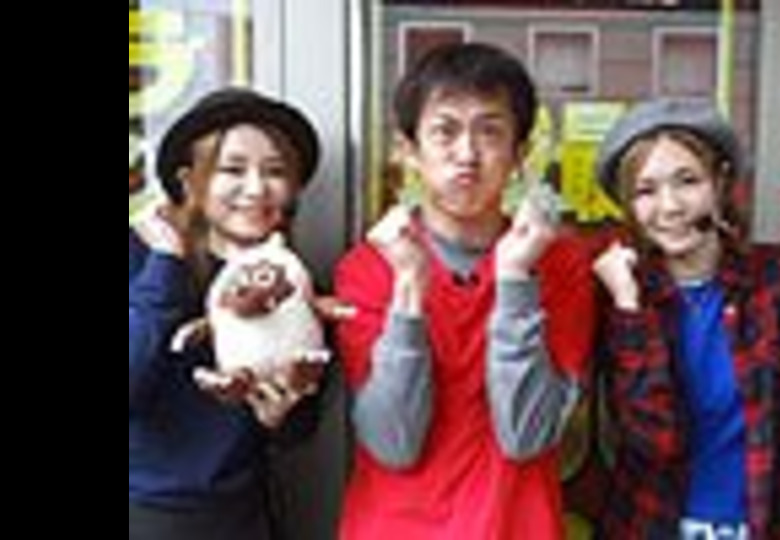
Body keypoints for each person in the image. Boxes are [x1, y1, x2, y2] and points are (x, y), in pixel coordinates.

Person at [334, 42, 597, 539]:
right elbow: (394, 442)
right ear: (409, 151)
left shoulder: (559, 264)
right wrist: (408, 290)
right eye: (445, 131)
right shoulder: (368, 268)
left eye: (490, 131)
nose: (467, 155)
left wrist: (516, 280)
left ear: (520, 154)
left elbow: (526, 435)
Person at [591, 97, 780, 540]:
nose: (670, 207)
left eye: (687, 181)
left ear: (720, 183)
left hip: (765, 525)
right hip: (649, 525)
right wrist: (628, 307)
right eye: (646, 191)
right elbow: (653, 438)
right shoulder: (623, 292)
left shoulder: (776, 278)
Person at [129, 87, 336, 540]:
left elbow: (299, 427)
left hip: (241, 515)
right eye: (232, 169)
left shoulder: (294, 284)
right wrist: (164, 268)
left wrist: (278, 417)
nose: (256, 188)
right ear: (190, 181)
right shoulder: (141, 259)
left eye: (275, 171)